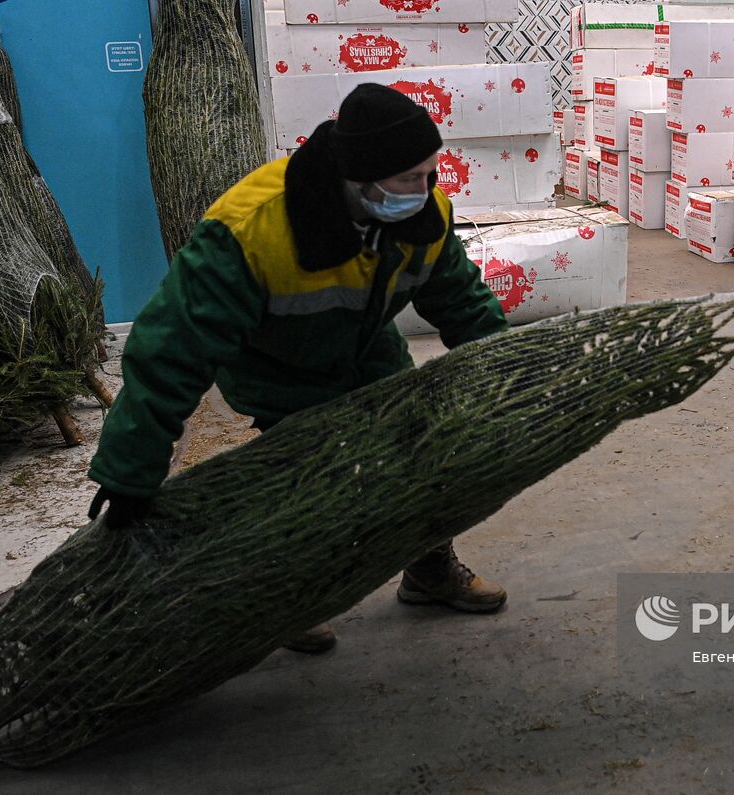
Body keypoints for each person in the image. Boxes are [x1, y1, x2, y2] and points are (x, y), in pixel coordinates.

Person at [87, 84, 510, 653]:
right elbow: (169, 353)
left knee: (418, 449)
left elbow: (461, 302)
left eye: (432, 173)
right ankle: (292, 597)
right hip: (277, 367)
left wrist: (512, 370)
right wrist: (129, 470)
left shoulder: (422, 213)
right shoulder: (249, 231)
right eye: (411, 178)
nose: (427, 190)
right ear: (361, 178)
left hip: (365, 350)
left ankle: (428, 568)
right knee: (306, 484)